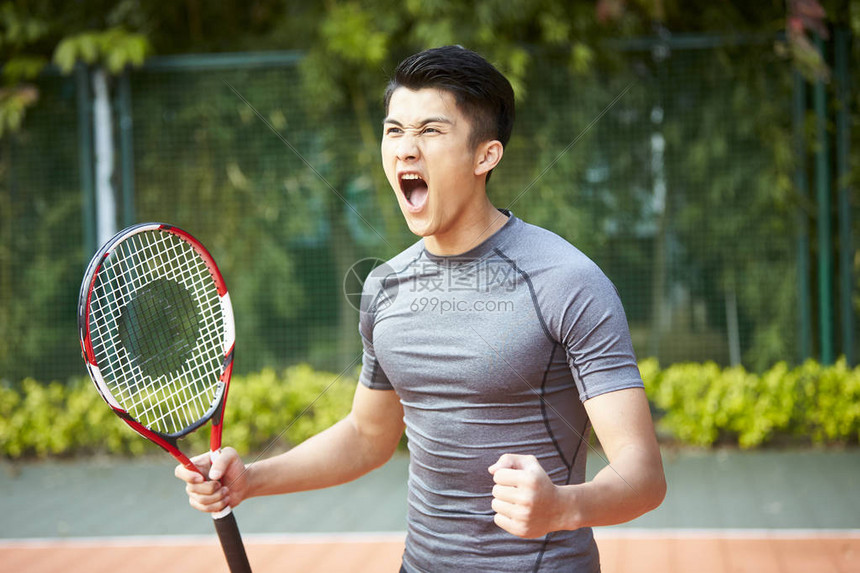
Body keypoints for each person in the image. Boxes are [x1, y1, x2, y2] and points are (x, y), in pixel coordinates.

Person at [176, 45, 666, 573]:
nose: (406, 149)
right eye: (394, 131)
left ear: (486, 156)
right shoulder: (384, 286)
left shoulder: (568, 282)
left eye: (431, 131)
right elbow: (367, 437)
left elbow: (643, 477)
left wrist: (563, 507)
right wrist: (251, 478)